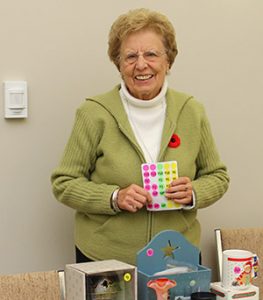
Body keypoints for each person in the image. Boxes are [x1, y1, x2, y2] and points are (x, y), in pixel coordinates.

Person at [51, 8, 230, 265]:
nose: (141, 64)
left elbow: (218, 176)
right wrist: (114, 197)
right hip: (106, 259)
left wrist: (194, 192)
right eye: (130, 56)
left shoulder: (192, 110)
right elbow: (63, 182)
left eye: (151, 54)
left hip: (177, 256)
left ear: (168, 61)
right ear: (119, 64)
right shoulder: (93, 113)